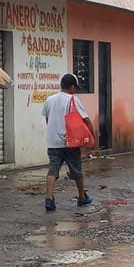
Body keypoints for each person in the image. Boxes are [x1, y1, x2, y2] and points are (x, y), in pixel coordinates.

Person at [41, 73, 95, 211]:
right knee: (76, 170)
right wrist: (92, 136)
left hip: (53, 142)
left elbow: (47, 119)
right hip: (70, 142)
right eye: (75, 88)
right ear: (72, 87)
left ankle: (49, 198)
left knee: (52, 170)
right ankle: (82, 198)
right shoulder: (73, 100)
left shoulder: (49, 100)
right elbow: (86, 119)